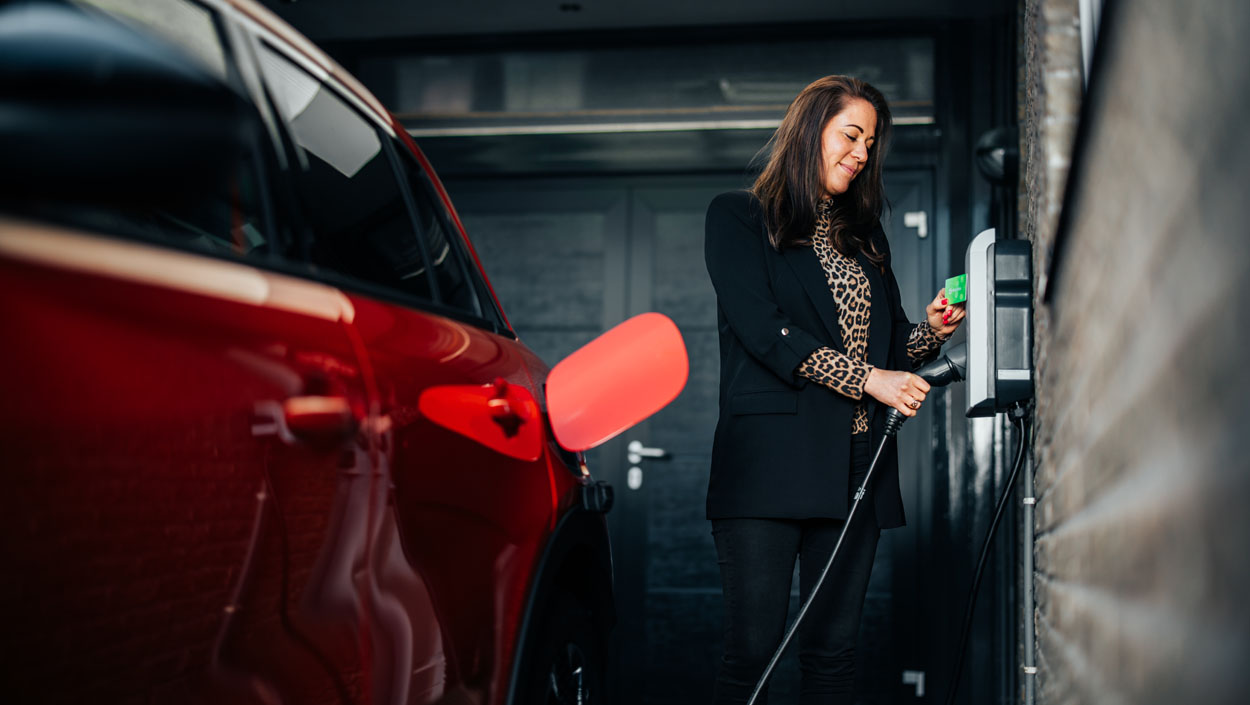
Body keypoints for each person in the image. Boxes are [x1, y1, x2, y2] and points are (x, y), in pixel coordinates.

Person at [703, 75, 965, 705]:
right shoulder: (739, 217)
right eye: (851, 135)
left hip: (855, 465)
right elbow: (764, 332)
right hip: (768, 466)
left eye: (870, 143)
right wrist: (871, 379)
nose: (861, 153)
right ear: (809, 131)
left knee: (832, 655)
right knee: (753, 654)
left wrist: (930, 331)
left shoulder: (864, 237)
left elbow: (889, 350)